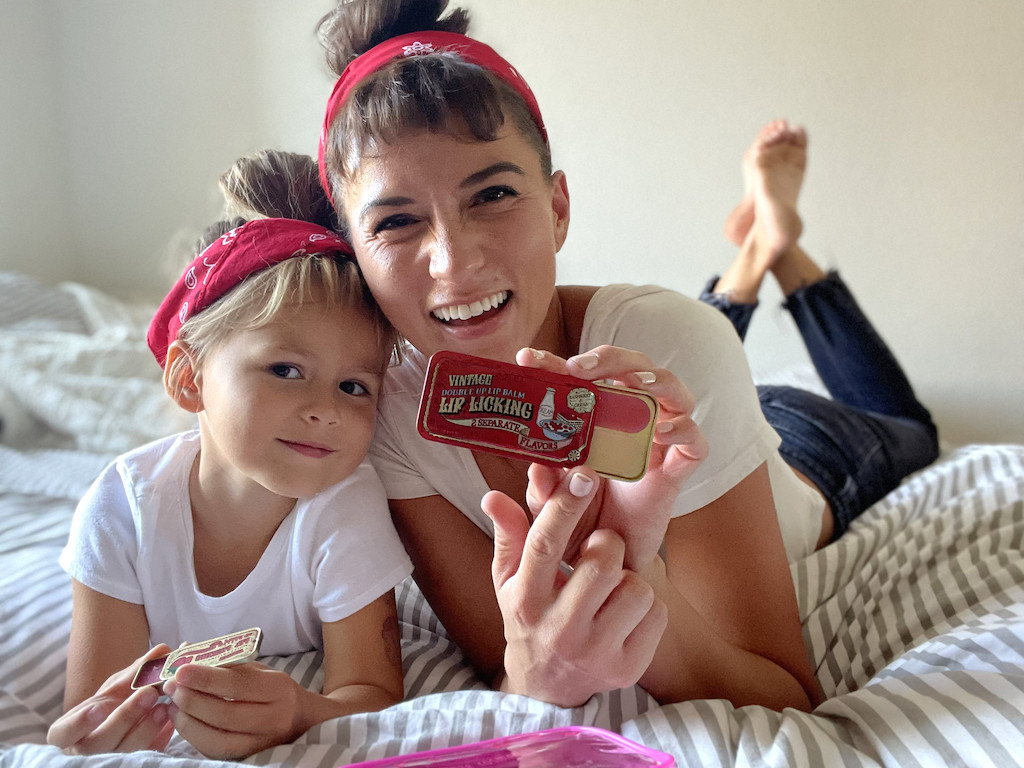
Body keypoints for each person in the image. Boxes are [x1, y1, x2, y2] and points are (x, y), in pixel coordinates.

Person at [260, 0, 933, 712]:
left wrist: (644, 585)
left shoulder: (669, 338)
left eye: (491, 194)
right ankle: (753, 255)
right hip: (685, 363)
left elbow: (784, 693)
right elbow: (507, 661)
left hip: (810, 456)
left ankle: (783, 255)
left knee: (906, 424)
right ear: (354, 253)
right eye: (395, 221)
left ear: (557, 209)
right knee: (682, 343)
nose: (454, 264)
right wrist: (538, 667)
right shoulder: (388, 406)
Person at [47, 216, 413, 759]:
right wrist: (93, 736)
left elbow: (373, 698)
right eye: (286, 370)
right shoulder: (121, 505)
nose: (326, 410)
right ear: (189, 379)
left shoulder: (344, 505)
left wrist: (299, 713)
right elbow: (98, 708)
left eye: (354, 386)